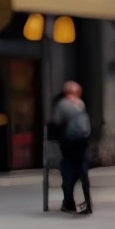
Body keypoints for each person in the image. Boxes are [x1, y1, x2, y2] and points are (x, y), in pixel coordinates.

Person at [48, 78, 92, 214]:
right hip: (82, 143)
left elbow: (56, 122)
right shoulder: (80, 104)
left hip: (69, 144)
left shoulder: (62, 104)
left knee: (68, 173)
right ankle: (86, 203)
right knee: (82, 173)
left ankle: (69, 202)